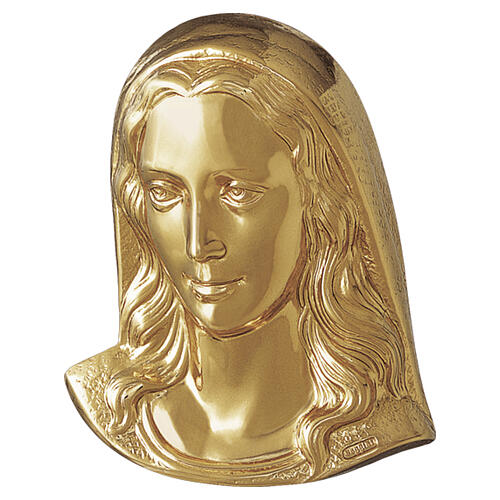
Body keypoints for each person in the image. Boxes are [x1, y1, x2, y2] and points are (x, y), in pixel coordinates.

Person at [66, 14, 434, 485]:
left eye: (237, 193)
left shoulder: (373, 422)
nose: (198, 243)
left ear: (321, 199)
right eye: (165, 192)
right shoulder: (113, 400)